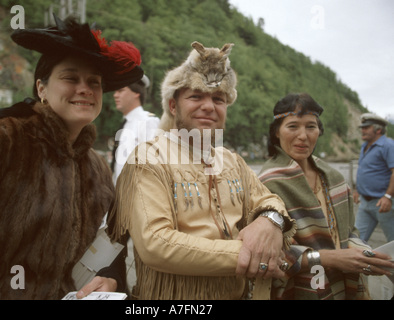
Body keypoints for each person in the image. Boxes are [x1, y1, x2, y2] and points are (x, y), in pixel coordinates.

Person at [0, 15, 144, 300]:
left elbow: (105, 247)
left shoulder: (97, 169)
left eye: (94, 82)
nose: (85, 89)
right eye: (70, 78)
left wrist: (109, 278)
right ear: (41, 89)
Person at [107, 41, 296, 300]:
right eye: (196, 96)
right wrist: (250, 255)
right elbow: (156, 244)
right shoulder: (148, 159)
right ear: (173, 107)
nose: (209, 106)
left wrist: (270, 221)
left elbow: (269, 200)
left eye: (218, 99)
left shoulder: (232, 160)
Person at [258, 93, 394, 300]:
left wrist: (365, 257)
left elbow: (349, 232)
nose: (303, 136)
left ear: (319, 131)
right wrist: (331, 258)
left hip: (342, 284)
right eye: (293, 126)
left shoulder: (334, 178)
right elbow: (269, 254)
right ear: (277, 131)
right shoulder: (266, 184)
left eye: (311, 126)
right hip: (300, 289)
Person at [111, 75, 160, 184]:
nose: (115, 95)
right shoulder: (126, 123)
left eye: (120, 91)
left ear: (136, 93)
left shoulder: (147, 122)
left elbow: (153, 169)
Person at [353, 113, 394, 243]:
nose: (362, 130)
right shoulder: (365, 146)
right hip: (365, 202)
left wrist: (388, 196)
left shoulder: (388, 145)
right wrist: (357, 190)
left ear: (378, 130)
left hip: (383, 203)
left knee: (392, 242)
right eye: (362, 127)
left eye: (366, 127)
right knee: (356, 240)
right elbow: (365, 171)